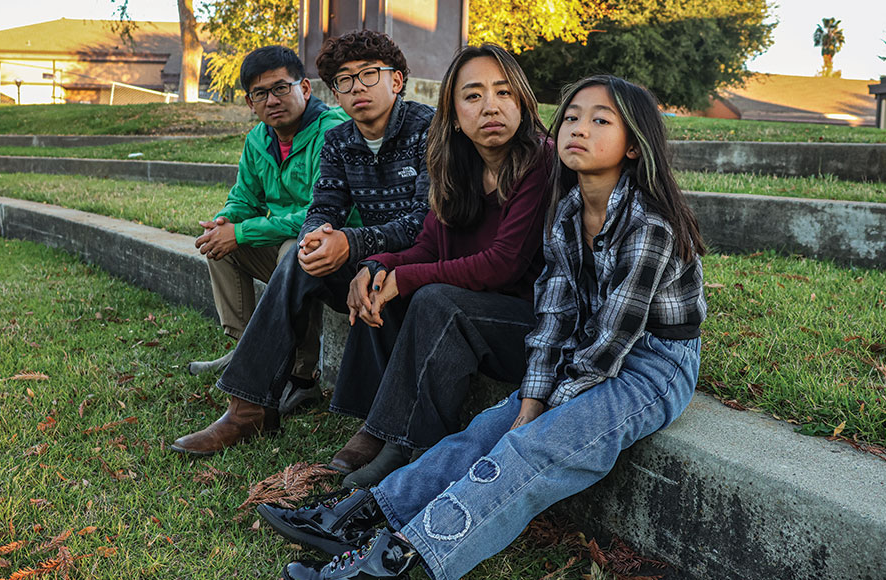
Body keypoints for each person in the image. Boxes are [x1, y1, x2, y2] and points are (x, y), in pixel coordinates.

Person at [260, 74, 708, 580]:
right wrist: (532, 396)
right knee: (485, 431)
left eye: (601, 120)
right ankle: (368, 515)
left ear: (634, 145)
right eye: (572, 118)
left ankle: (401, 563)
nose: (579, 129)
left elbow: (611, 346)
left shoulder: (649, 225)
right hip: (586, 347)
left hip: (649, 365)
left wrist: (545, 407)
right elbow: (556, 313)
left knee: (530, 447)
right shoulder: (566, 212)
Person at [170, 30, 434, 457]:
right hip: (362, 256)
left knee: (299, 253)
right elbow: (324, 204)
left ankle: (361, 418)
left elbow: (426, 223)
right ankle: (248, 409)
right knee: (297, 252)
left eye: (369, 75)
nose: (357, 88)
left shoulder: (429, 130)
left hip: (416, 263)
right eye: (344, 81)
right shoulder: (340, 140)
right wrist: (316, 236)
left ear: (397, 81)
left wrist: (351, 242)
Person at [326, 44, 553, 486]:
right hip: (476, 315)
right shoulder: (455, 166)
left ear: (523, 102)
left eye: (504, 93)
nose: (490, 106)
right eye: (473, 95)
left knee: (432, 298)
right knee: (383, 286)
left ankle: (408, 445)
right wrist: (376, 265)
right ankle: (376, 425)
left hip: (530, 328)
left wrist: (405, 277)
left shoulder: (540, 161)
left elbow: (503, 265)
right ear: (452, 111)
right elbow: (427, 248)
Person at [188, 46, 347, 403]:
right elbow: (245, 196)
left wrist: (242, 231)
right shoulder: (258, 139)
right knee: (219, 247)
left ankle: (302, 376)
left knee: (295, 253)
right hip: (279, 236)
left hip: (324, 242)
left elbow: (319, 213)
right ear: (250, 102)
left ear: (304, 88)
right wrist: (227, 220)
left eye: (280, 88)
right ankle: (250, 350)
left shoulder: (332, 131)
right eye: (260, 93)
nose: (272, 100)